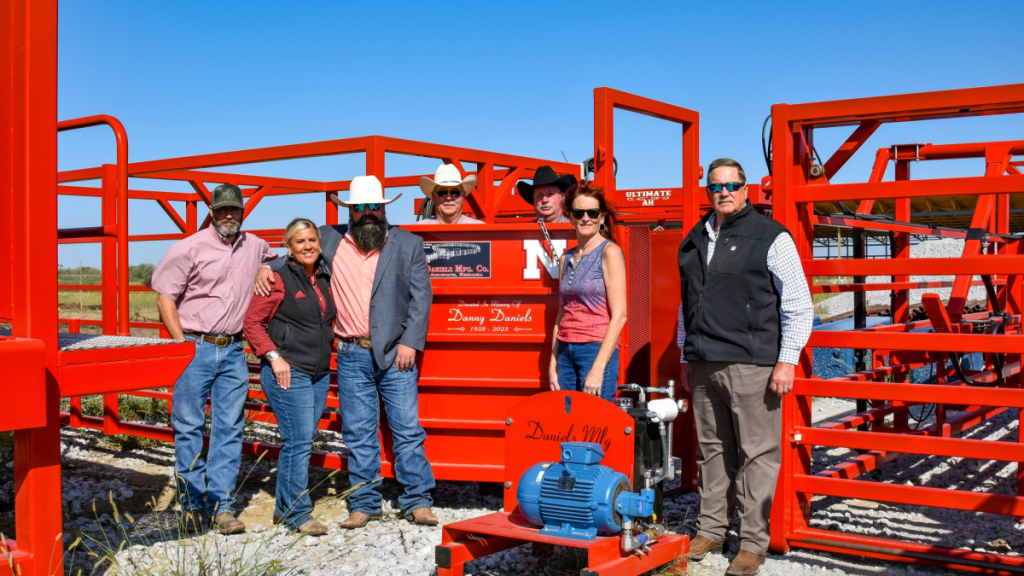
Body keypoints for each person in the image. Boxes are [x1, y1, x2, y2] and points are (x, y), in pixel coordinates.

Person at [255, 175, 438, 529]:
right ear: (350, 211)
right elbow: (294, 251)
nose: (368, 213)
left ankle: (417, 499)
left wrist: (411, 342)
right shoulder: (329, 237)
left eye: (374, 206)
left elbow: (422, 298)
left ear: (384, 209)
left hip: (396, 353)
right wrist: (268, 265)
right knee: (358, 432)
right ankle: (364, 502)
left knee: (407, 429)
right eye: (360, 207)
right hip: (351, 353)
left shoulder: (408, 243)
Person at [677, 159, 813, 575]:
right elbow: (686, 307)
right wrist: (686, 354)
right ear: (707, 191)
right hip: (704, 362)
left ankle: (752, 542)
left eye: (733, 184)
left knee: (758, 454)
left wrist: (787, 360)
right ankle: (711, 529)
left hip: (751, 362)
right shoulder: (694, 239)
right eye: (716, 186)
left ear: (746, 188)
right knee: (711, 452)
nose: (725, 192)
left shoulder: (771, 237)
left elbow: (798, 304)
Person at [151, 183, 280, 535]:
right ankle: (192, 504)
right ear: (211, 211)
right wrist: (182, 345)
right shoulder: (188, 248)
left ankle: (221, 507)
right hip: (197, 345)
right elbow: (165, 298)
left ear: (242, 212)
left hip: (235, 349)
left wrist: (264, 268)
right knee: (189, 425)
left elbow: (277, 258)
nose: (228, 215)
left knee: (230, 427)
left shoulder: (254, 246)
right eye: (221, 209)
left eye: (233, 210)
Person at [243, 218, 336, 536]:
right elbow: (252, 323)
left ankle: (284, 509)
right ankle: (298, 513)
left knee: (299, 442)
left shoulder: (324, 276)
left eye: (312, 240)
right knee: (298, 442)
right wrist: (274, 357)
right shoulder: (277, 278)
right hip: (287, 371)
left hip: (318, 373)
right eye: (300, 241)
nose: (307, 246)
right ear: (289, 247)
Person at [548, 182, 627, 401]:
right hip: (565, 351)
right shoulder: (565, 258)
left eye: (592, 212)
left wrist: (598, 368)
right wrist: (553, 363)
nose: (586, 218)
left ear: (601, 217)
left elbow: (620, 316)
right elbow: (561, 314)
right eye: (579, 212)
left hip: (595, 349)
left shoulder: (609, 252)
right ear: (570, 217)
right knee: (567, 423)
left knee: (594, 428)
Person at [417, 163, 484, 224]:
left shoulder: (480, 231)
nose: (448, 197)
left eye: (455, 192)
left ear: (463, 196)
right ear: (433, 196)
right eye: (442, 193)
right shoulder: (418, 232)